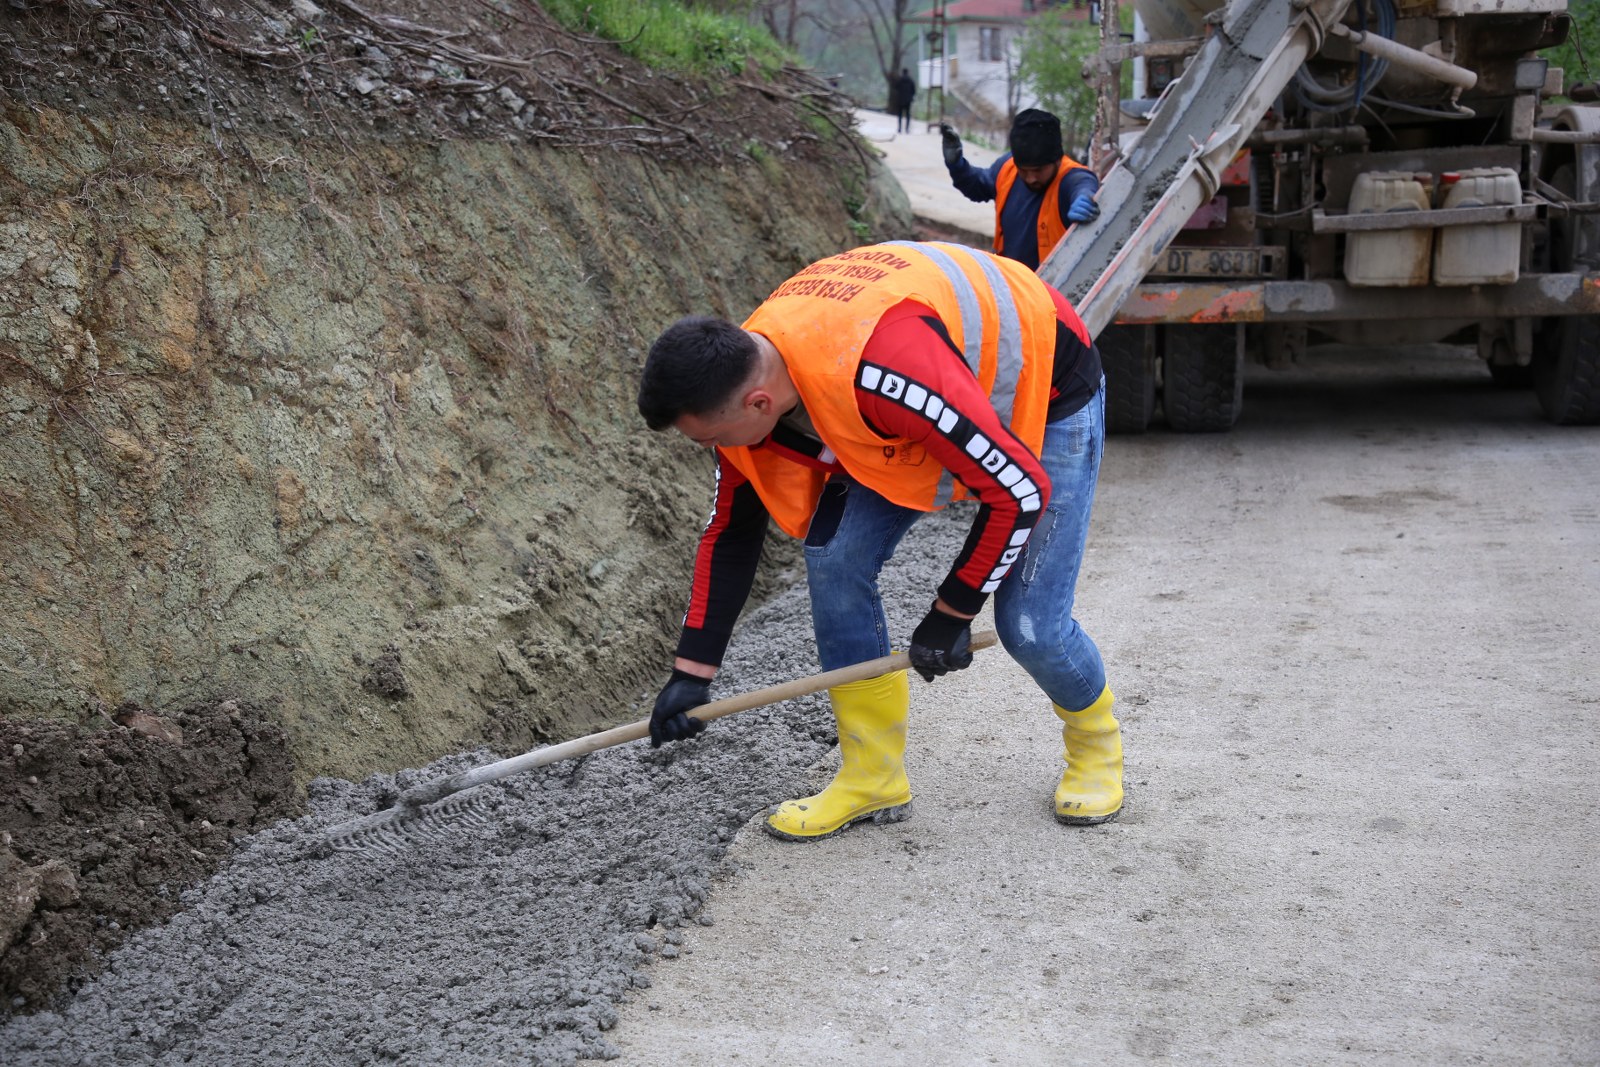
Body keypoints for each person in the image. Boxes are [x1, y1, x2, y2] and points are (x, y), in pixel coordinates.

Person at [636, 240, 1123, 842]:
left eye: (708, 439)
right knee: (834, 557)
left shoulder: (883, 373)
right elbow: (732, 533)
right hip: (918, 409)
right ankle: (872, 775)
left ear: (757, 402)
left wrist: (951, 613)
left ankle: (1095, 749)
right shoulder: (745, 375)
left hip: (1045, 389)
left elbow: (1017, 492)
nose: (711, 450)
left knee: (1030, 625)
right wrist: (692, 671)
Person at [941, 108, 1100, 270]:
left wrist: (1086, 197)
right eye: (1023, 170)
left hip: (1051, 286)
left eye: (1038, 170)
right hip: (1010, 279)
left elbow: (1083, 183)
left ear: (1057, 160)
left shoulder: (1069, 178)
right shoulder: (1007, 167)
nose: (1031, 178)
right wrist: (958, 166)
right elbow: (978, 186)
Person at [894, 68, 916, 134]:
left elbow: (895, 87)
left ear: (902, 72)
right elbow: (914, 91)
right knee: (908, 115)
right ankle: (907, 129)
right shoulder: (911, 80)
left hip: (900, 100)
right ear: (908, 72)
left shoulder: (899, 80)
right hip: (908, 101)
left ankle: (899, 129)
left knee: (900, 115)